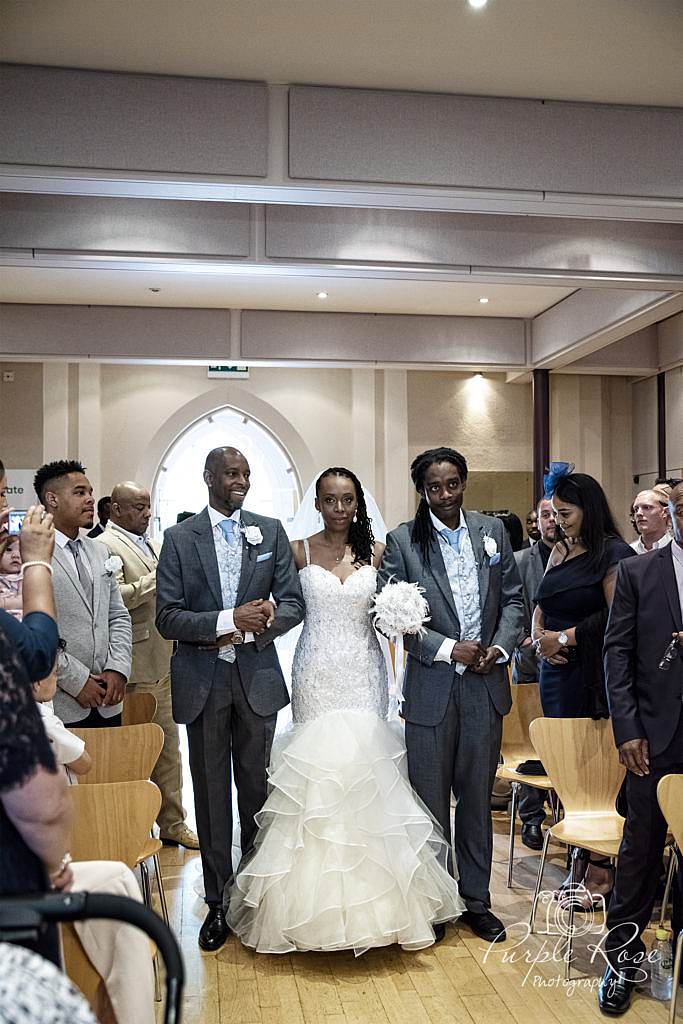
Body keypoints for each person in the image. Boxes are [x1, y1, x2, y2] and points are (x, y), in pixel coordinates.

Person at [227, 468, 464, 953]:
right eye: (330, 500)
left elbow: (402, 605)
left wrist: (401, 613)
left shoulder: (379, 553)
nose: (339, 509)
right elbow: (281, 603)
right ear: (317, 503)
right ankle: (304, 913)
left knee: (366, 770)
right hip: (315, 669)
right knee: (319, 774)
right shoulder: (298, 551)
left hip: (364, 670)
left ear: (358, 504)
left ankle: (385, 910)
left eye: (347, 500)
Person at [156, 446, 305, 952]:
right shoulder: (178, 539)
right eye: (230, 473)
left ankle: (258, 895)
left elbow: (293, 602)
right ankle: (219, 902)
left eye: (245, 472)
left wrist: (262, 622)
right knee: (212, 795)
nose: (240, 481)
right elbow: (167, 617)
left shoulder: (269, 530)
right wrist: (226, 621)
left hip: (256, 678)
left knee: (257, 792)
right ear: (208, 477)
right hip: (202, 682)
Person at [379, 447, 525, 944]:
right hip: (432, 690)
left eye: (452, 484)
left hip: (485, 689)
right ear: (421, 490)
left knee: (477, 802)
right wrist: (448, 650)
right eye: (434, 487)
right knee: (431, 803)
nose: (444, 495)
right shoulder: (402, 542)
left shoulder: (492, 532)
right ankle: (437, 902)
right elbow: (394, 617)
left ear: (465, 483)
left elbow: (513, 600)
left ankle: (477, 901)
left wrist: (500, 649)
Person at [597, 480, 683, 1015]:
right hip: (654, 734)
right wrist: (627, 728)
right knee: (641, 851)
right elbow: (618, 653)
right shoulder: (637, 571)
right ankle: (622, 961)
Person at [532, 466, 635, 907]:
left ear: (588, 509)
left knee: (595, 772)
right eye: (554, 513)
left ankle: (600, 871)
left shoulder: (613, 552)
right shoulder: (562, 550)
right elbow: (543, 600)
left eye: (566, 513)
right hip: (555, 674)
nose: (558, 522)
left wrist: (565, 638)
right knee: (566, 769)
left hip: (591, 676)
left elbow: (615, 619)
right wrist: (541, 639)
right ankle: (576, 859)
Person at [98, 481, 198, 849]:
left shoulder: (155, 544)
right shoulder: (105, 545)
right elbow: (116, 598)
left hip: (166, 659)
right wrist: (157, 581)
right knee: (136, 751)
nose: (147, 513)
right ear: (116, 510)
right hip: (135, 664)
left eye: (148, 506)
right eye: (138, 507)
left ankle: (173, 822)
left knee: (169, 748)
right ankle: (135, 825)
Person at [34, 460, 132, 728]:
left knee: (111, 771)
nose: (90, 500)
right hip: (60, 703)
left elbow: (118, 615)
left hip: (108, 699)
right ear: (52, 499)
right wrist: (77, 681)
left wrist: (117, 669)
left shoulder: (99, 551)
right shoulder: (32, 553)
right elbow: (32, 633)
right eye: (79, 493)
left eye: (89, 492)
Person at [511, 496, 558, 849]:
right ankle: (531, 817)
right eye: (545, 514)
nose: (552, 520)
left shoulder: (580, 556)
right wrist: (528, 640)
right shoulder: (519, 561)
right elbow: (509, 606)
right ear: (536, 521)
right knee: (531, 744)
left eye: (557, 513)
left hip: (568, 663)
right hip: (529, 662)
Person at [33, 642, 93, 783]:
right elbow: (84, 763)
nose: (56, 678)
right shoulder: (45, 723)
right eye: (55, 673)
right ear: (38, 682)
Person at [629, 488, 671, 554]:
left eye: (647, 507)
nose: (638, 513)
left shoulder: (676, 549)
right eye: (636, 509)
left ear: (665, 512)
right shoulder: (629, 550)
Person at [0, 534, 23, 617]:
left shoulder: (23, 578)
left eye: (21, 550)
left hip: (17, 621)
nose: (16, 555)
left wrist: (3, 603)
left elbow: (24, 601)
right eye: (9, 549)